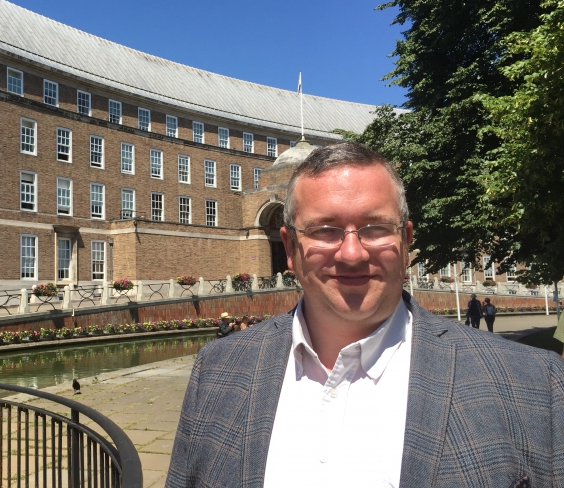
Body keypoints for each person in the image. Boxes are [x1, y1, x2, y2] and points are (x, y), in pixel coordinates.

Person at [166, 142, 564, 488]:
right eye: (324, 230)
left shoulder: (535, 382)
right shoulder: (217, 371)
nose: (352, 253)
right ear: (290, 248)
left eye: (375, 227)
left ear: (406, 241)